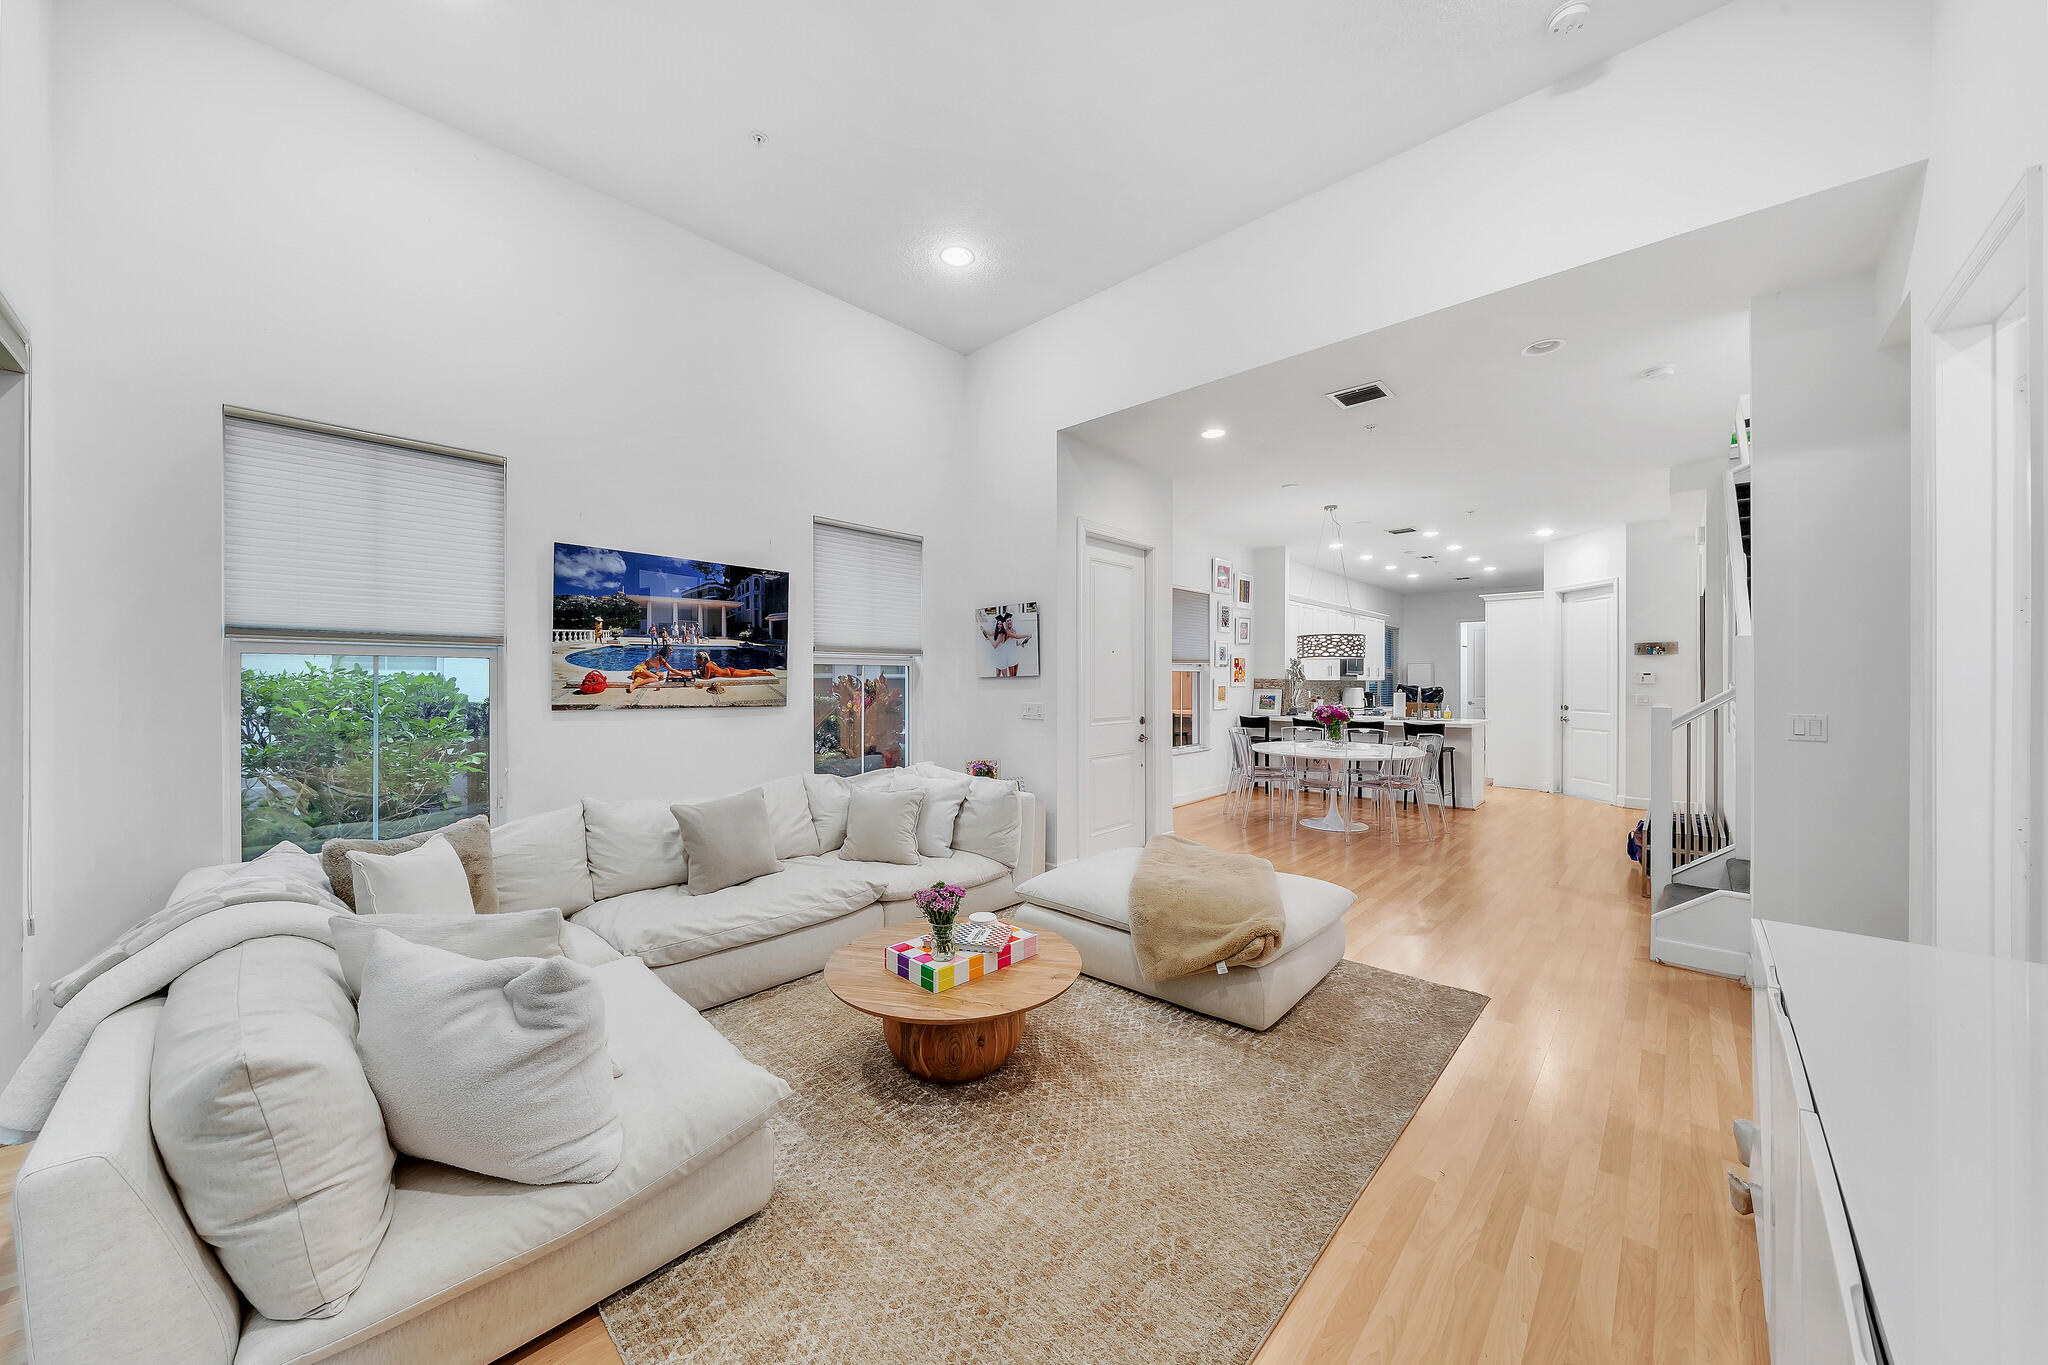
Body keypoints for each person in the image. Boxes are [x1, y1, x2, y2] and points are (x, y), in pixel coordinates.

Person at [696, 651, 775, 679]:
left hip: (731, 673)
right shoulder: (709, 663)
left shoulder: (707, 666)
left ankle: (768, 673)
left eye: (698, 661)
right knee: (749, 671)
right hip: (729, 670)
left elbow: (706, 678)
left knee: (750, 673)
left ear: (702, 660)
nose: (697, 663)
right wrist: (699, 667)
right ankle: (762, 671)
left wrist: (698, 674)